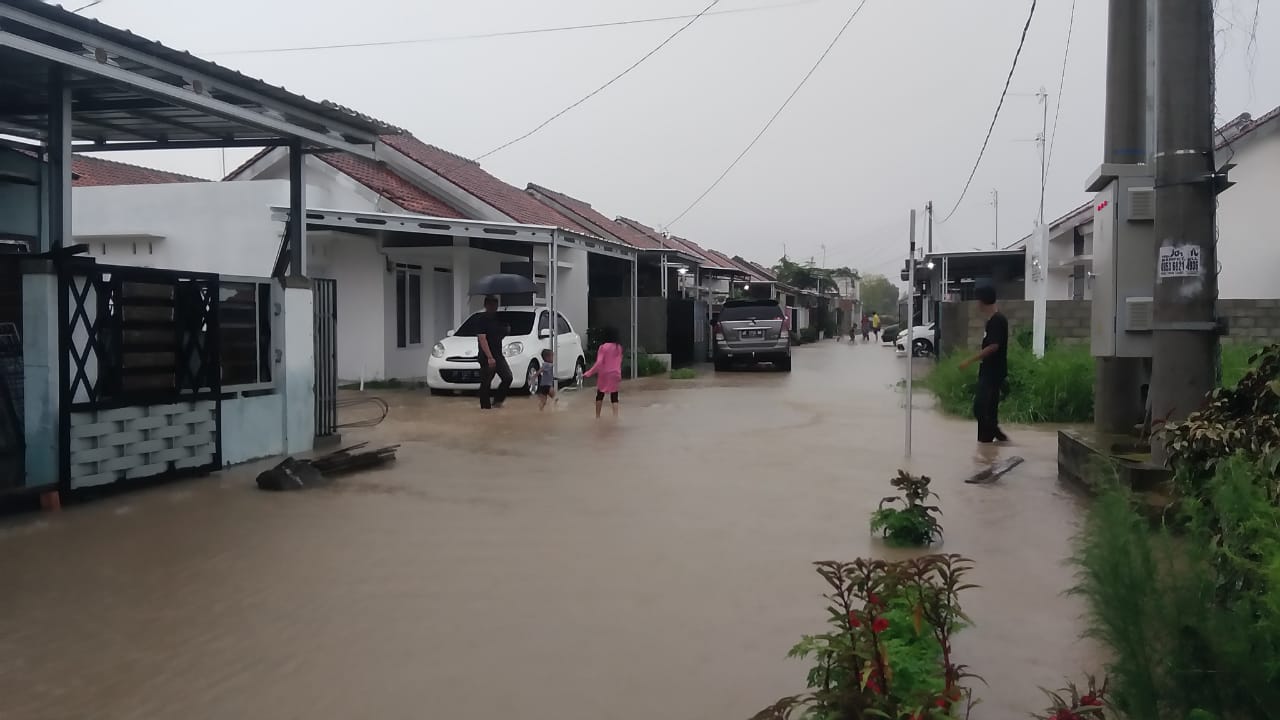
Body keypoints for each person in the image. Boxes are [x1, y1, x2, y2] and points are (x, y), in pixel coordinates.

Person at [959, 285, 1010, 443]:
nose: (976, 304)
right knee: (988, 409)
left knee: (981, 407)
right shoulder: (992, 321)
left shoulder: (997, 321)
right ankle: (987, 448)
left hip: (993, 372)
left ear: (982, 302)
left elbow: (994, 346)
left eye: (977, 300)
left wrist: (970, 360)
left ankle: (997, 434)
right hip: (988, 370)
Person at [475, 295, 513, 410]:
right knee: (486, 383)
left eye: (495, 304)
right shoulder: (481, 319)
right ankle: (485, 409)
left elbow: (500, 335)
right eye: (491, 304)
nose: (493, 307)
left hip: (498, 354)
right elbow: (482, 339)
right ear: (486, 305)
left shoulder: (498, 319)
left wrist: (506, 330)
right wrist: (490, 357)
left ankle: (497, 402)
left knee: (507, 377)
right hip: (486, 356)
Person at [584, 326, 623, 418]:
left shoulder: (603, 347)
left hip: (605, 374)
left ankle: (597, 416)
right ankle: (615, 417)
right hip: (616, 374)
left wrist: (589, 372)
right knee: (614, 396)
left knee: (600, 394)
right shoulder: (619, 347)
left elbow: (599, 363)